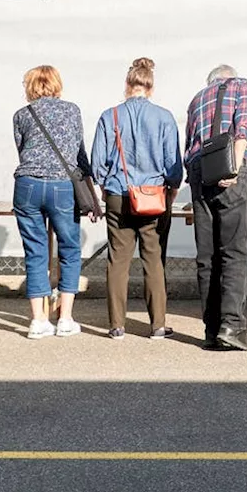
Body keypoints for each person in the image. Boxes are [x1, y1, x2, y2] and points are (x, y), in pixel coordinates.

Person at [90, 58, 182, 340]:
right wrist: (171, 188)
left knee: (118, 260)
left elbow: (96, 165)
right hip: (154, 197)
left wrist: (107, 184)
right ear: (150, 87)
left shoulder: (110, 116)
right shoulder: (164, 117)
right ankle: (157, 326)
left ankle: (117, 325)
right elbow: (174, 166)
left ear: (127, 85)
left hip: (118, 194)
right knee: (153, 259)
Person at [12, 65, 96, 340]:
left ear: (30, 87)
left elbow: (22, 150)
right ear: (57, 84)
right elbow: (78, 152)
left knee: (35, 252)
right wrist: (90, 192)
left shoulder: (22, 115)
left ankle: (38, 321)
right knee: (69, 250)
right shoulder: (72, 111)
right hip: (62, 186)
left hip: (27, 185)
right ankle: (66, 319)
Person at [183, 64, 247, 351]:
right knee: (234, 252)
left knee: (207, 255)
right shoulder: (241, 85)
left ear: (210, 81)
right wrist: (235, 168)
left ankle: (211, 331)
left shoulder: (196, 99)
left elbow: (189, 146)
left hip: (200, 173)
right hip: (229, 168)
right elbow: (243, 129)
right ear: (230, 75)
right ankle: (233, 327)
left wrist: (195, 186)